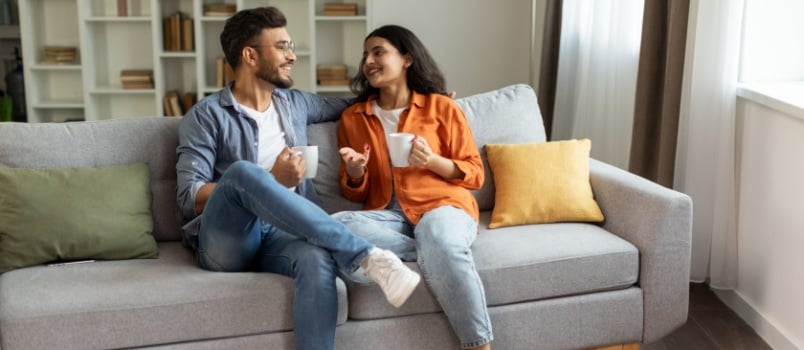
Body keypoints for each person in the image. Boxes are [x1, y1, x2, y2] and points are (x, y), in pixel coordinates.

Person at [175, 8, 420, 350]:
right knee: (244, 173)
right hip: (229, 241)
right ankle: (366, 256)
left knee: (316, 259)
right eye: (282, 47)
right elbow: (189, 196)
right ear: (250, 55)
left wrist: (427, 99)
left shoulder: (294, 104)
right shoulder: (206, 116)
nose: (293, 55)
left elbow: (360, 103)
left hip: (283, 234)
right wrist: (272, 178)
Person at [332, 25, 493, 350]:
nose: (368, 61)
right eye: (365, 55)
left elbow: (475, 175)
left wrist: (432, 161)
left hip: (443, 207)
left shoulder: (442, 108)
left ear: (406, 58)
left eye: (378, 52)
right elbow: (356, 194)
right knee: (335, 225)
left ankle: (479, 346)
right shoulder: (354, 118)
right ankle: (439, 252)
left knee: (435, 230)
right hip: (389, 217)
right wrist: (353, 172)